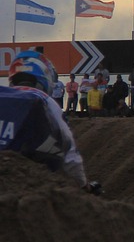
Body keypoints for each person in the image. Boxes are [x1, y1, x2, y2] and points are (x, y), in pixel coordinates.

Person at [1, 50, 98, 193]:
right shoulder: (43, 100)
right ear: (45, 76)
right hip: (28, 185)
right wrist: (84, 185)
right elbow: (70, 153)